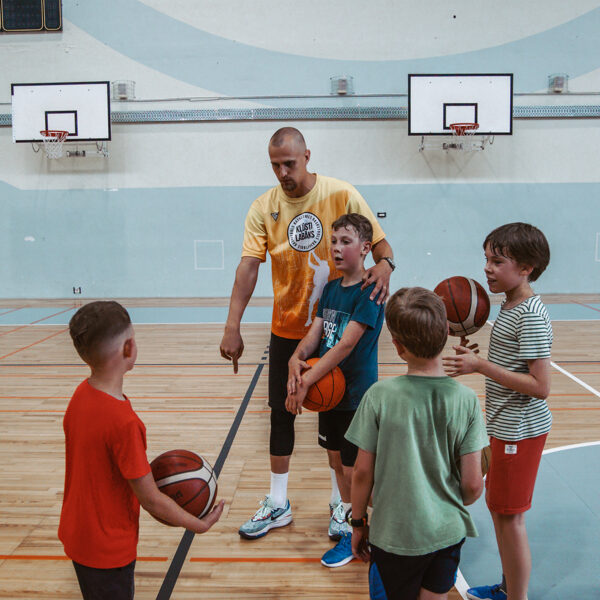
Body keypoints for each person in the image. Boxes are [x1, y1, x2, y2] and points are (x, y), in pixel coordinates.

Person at [219, 127, 395, 539]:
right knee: (282, 413)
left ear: (307, 156)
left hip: (339, 326)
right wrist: (232, 325)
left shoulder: (342, 193)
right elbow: (248, 267)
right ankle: (278, 503)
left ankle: (341, 504)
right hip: (291, 331)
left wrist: (388, 264)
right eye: (275, 165)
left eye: (290, 164)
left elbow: (381, 246)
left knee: (337, 416)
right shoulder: (263, 207)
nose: (283, 172)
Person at [59, 301, 224, 600]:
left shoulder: (81, 395)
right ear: (128, 348)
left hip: (78, 534)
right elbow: (151, 500)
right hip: (108, 548)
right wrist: (197, 524)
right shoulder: (124, 422)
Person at [346, 287, 488, 600]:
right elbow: (474, 486)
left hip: (394, 534)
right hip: (447, 532)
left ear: (397, 346)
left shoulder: (378, 397)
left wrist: (357, 523)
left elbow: (361, 472)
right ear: (448, 332)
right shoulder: (467, 401)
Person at [443, 223, 552, 600]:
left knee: (510, 519)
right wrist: (478, 357)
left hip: (519, 432)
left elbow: (541, 387)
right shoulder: (510, 305)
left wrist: (481, 367)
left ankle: (515, 597)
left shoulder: (531, 315)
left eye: (497, 261)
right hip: (507, 427)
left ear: (526, 267)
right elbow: (515, 366)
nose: (487, 268)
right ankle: (508, 588)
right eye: (486, 259)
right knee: (501, 513)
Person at [285, 214, 385, 567]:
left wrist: (306, 381)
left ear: (366, 248)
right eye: (334, 241)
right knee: (335, 461)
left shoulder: (370, 292)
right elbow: (316, 333)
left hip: (355, 395)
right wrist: (295, 361)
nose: (337, 248)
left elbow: (344, 346)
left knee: (354, 469)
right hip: (330, 393)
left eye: (345, 241)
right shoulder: (330, 288)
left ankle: (366, 530)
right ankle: (351, 522)